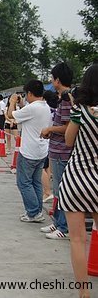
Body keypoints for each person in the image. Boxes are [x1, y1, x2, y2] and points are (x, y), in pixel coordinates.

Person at [58, 64, 98, 298]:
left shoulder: (80, 111)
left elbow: (69, 141)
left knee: (77, 239)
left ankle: (83, 292)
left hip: (77, 179)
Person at [7, 80, 52, 223]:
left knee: (24, 183)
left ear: (30, 93)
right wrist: (21, 103)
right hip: (41, 151)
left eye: (26, 95)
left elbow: (11, 115)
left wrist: (13, 101)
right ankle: (37, 211)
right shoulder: (45, 106)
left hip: (29, 152)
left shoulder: (32, 109)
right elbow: (26, 111)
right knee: (35, 183)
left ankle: (33, 212)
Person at [40, 62, 74, 240]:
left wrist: (50, 130)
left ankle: (63, 226)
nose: (52, 82)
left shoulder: (67, 100)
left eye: (53, 79)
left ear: (58, 80)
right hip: (56, 150)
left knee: (62, 189)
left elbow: (68, 127)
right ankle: (58, 222)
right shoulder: (63, 99)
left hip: (62, 152)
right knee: (58, 188)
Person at [41, 90, 60, 203]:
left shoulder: (46, 110)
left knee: (40, 168)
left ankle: (47, 191)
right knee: (48, 168)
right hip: (54, 142)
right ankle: (47, 191)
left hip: (45, 141)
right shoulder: (58, 109)